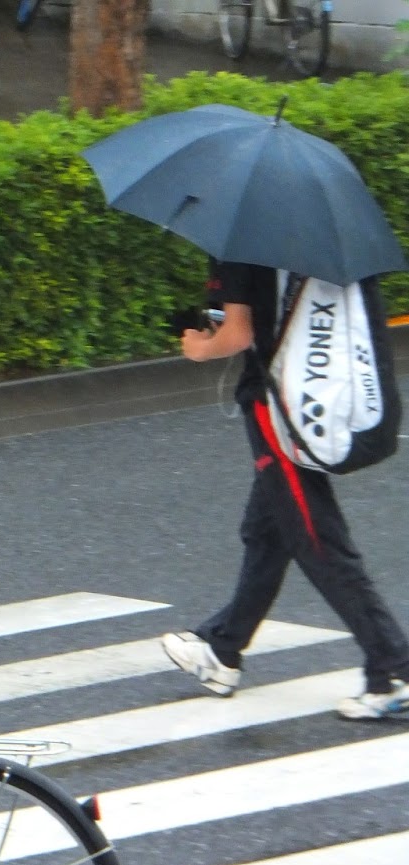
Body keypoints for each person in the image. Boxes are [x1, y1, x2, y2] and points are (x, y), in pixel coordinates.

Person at [161, 259, 409, 720]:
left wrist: (198, 346)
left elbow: (237, 335)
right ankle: (223, 649)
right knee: (268, 531)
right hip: (316, 400)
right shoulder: (316, 232)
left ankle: (394, 666)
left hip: (278, 410)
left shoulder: (240, 240)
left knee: (317, 538)